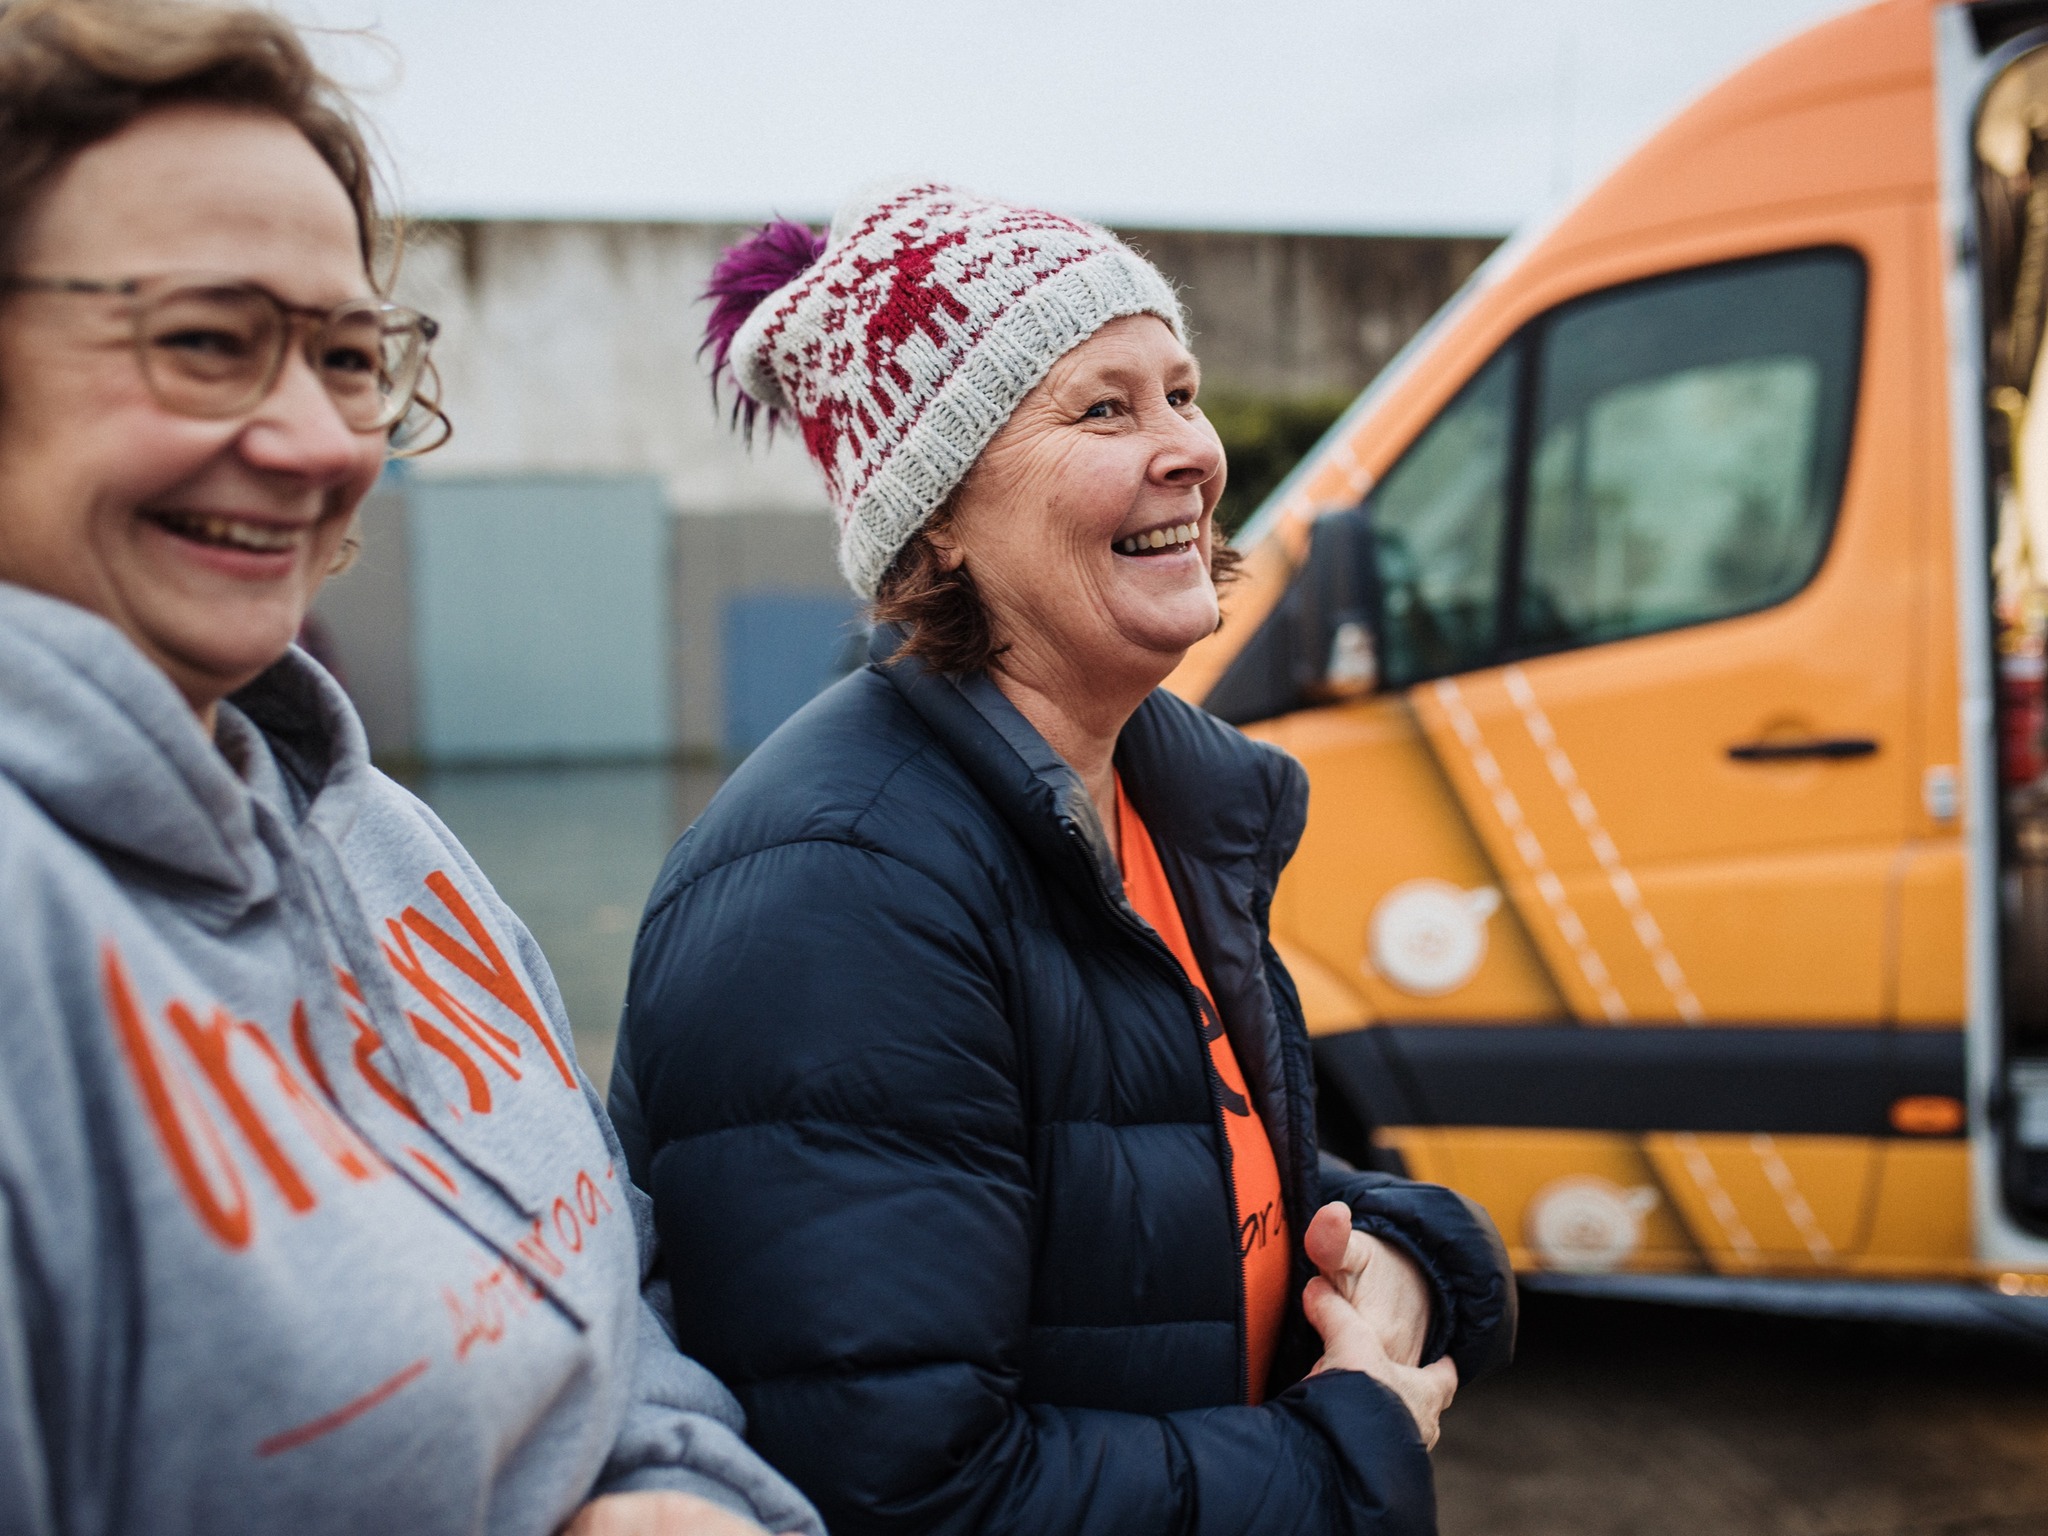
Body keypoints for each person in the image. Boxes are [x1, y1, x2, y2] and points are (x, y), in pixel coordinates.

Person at [0, 4, 822, 1534]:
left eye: (349, 356)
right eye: (202, 343)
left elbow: (614, 1286)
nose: (321, 442)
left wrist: (675, 1481)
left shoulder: (392, 846)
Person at [610, 183, 1516, 1536]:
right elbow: (911, 1487)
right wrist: (1345, 1458)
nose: (1191, 452)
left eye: (1182, 392)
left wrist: (1413, 1252)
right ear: (939, 523)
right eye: (1105, 408)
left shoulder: (1149, 803)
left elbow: (1186, 1191)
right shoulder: (846, 888)